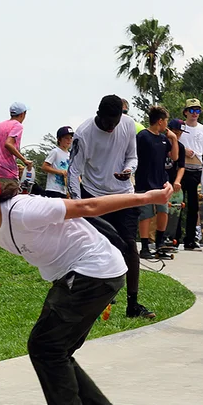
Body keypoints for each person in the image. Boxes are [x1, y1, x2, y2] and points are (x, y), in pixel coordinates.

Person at [0, 162, 173, 405]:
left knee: (45, 347)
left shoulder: (25, 210)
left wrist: (147, 198)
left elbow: (89, 206)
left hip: (93, 270)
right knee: (56, 350)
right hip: (84, 274)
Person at [68, 94, 155, 319]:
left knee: (129, 247)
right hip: (94, 195)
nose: (111, 128)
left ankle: (133, 304)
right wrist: (79, 206)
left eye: (115, 123)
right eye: (107, 123)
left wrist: (128, 170)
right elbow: (73, 171)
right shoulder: (83, 134)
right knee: (94, 248)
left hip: (122, 195)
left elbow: (132, 157)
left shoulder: (126, 125)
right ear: (99, 116)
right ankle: (92, 298)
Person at [135, 106, 179, 259]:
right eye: (166, 121)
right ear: (160, 121)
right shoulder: (142, 136)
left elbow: (174, 157)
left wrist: (173, 139)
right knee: (145, 214)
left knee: (163, 211)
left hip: (161, 181)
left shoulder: (163, 139)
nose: (166, 124)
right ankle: (145, 245)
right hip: (144, 181)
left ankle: (160, 242)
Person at [179, 98, 203, 249]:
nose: (195, 114)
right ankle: (173, 237)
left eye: (197, 111)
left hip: (197, 171)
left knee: (194, 207)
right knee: (177, 205)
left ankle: (190, 239)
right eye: (192, 110)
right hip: (182, 170)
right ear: (186, 112)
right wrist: (184, 150)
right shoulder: (180, 127)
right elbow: (173, 144)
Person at [0, 102, 32, 182]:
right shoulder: (17, 126)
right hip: (7, 173)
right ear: (22, 114)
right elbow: (8, 144)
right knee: (9, 193)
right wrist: (24, 160)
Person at [165, 119, 186, 248]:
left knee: (174, 211)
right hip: (159, 181)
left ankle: (171, 238)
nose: (177, 136)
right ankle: (152, 239)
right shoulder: (160, 143)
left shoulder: (181, 147)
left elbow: (181, 166)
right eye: (175, 132)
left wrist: (177, 181)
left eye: (179, 133)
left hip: (172, 183)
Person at [42, 126, 74, 199]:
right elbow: (44, 167)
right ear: (59, 139)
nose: (69, 140)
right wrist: (60, 172)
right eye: (66, 138)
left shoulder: (70, 155)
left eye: (70, 138)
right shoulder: (55, 152)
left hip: (64, 190)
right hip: (53, 189)